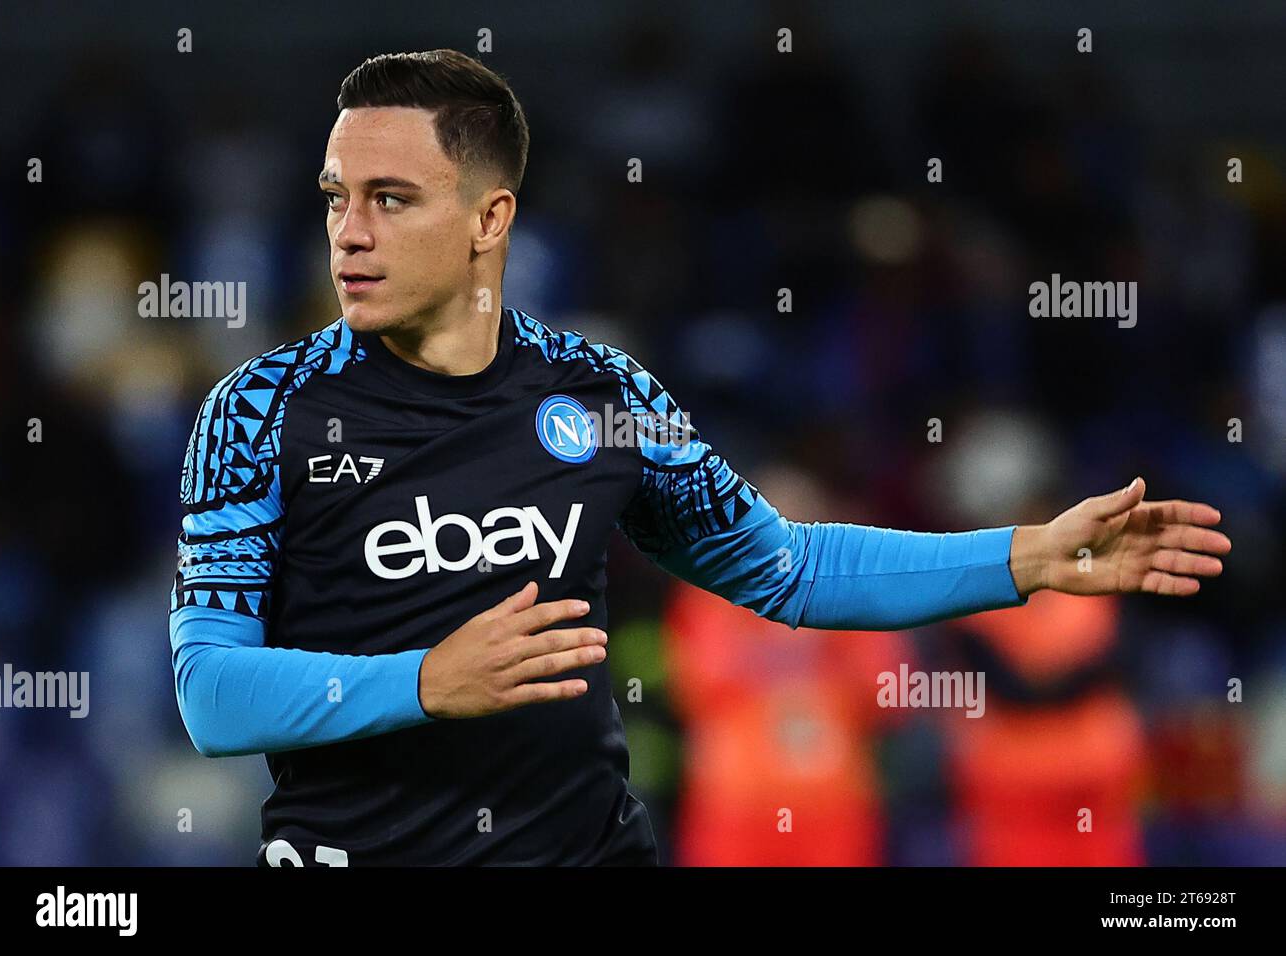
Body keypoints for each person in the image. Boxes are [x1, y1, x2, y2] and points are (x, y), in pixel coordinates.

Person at [168, 49, 1231, 866]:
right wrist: (427, 680)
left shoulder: (602, 396)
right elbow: (212, 693)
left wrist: (1024, 560)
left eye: (388, 198)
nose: (346, 231)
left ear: (491, 217)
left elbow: (785, 568)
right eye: (333, 196)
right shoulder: (260, 410)